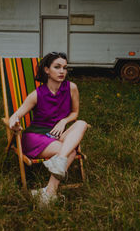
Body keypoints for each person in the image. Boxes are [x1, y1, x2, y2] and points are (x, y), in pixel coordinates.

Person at [9, 52, 87, 206]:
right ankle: (51, 191)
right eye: (57, 67)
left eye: (64, 68)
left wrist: (64, 121)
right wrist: (15, 123)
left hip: (57, 133)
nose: (62, 71)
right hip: (36, 136)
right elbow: (15, 115)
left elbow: (75, 113)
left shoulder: (71, 88)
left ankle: (48, 189)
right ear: (46, 70)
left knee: (82, 123)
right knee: (70, 151)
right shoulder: (36, 95)